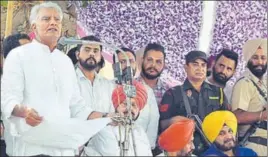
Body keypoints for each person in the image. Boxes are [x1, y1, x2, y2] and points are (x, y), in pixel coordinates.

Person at [1, 2, 113, 156]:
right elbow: (8, 99)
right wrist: (23, 111)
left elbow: (77, 106)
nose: (53, 22)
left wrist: (106, 117)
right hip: (32, 149)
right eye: (46, 19)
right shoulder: (18, 56)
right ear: (34, 27)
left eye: (57, 20)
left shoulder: (65, 61)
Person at [159, 50, 230, 155]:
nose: (200, 69)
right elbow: (162, 125)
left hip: (213, 151)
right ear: (186, 67)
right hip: (185, 151)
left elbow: (228, 122)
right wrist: (175, 121)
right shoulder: (173, 93)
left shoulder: (218, 92)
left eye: (203, 65)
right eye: (195, 64)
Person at [83, 81, 152, 156]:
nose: (129, 108)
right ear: (117, 106)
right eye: (125, 104)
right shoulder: (105, 128)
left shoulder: (140, 132)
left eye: (133, 105)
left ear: (139, 111)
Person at [113, 47, 159, 150]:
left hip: (139, 148)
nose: (127, 65)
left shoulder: (146, 91)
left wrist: (146, 148)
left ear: (136, 64)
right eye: (122, 61)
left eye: (131, 61)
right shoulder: (107, 87)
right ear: (114, 67)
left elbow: (153, 121)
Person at [231, 38, 267, 156]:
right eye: (255, 57)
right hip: (254, 147)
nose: (260, 62)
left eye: (263, 58)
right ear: (248, 59)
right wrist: (263, 115)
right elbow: (236, 116)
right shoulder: (244, 83)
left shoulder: (264, 83)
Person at [75, 35, 115, 113]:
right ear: (77, 55)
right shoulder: (70, 80)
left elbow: (112, 115)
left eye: (96, 51)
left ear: (100, 57)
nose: (92, 54)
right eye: (87, 50)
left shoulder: (108, 85)